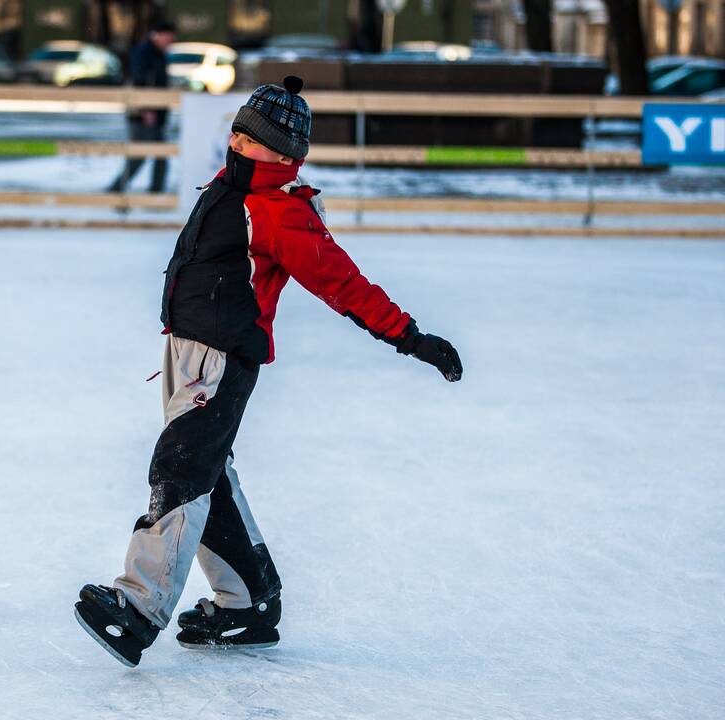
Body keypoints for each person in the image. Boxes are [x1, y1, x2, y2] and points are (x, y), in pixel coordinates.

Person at [75, 76, 463, 668]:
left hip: (222, 360)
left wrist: (409, 337)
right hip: (186, 355)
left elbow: (342, 283)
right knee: (210, 481)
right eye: (238, 130)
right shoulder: (231, 187)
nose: (237, 140)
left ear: (287, 157)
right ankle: (249, 604)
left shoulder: (278, 209)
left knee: (181, 470)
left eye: (254, 139)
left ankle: (139, 608)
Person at [107, 21, 175, 194]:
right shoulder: (145, 53)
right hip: (144, 113)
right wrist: (147, 109)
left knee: (160, 155)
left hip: (155, 112)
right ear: (157, 35)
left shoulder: (158, 53)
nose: (170, 40)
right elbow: (140, 81)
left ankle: (155, 193)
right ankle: (116, 190)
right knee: (140, 155)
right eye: (168, 36)